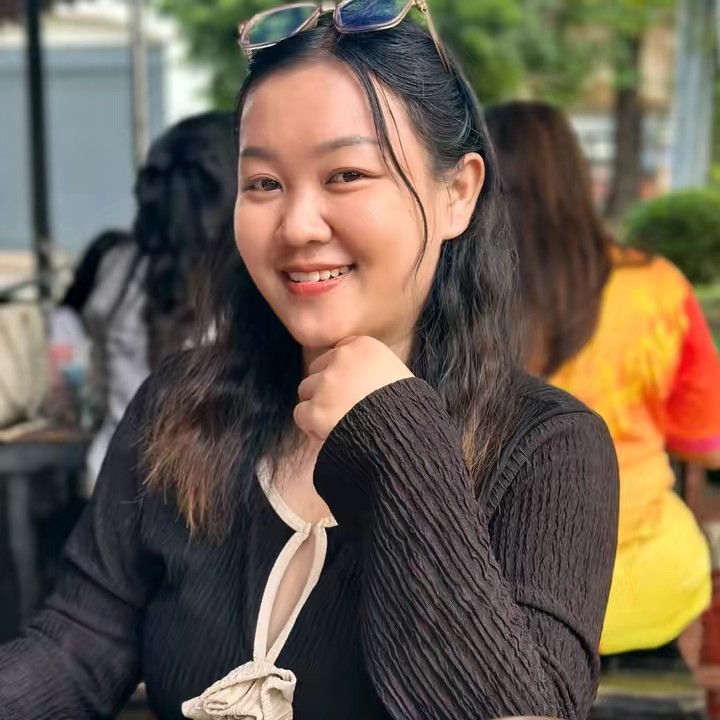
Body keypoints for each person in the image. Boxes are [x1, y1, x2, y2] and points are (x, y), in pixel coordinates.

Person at [0, 6, 618, 720]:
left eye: (346, 174)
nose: (296, 226)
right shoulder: (180, 408)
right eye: (264, 183)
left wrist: (398, 436)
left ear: (458, 193)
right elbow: (76, 649)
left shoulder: (549, 448)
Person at [485, 100, 720, 659]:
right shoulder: (656, 287)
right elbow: (706, 440)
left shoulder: (441, 291)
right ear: (578, 180)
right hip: (640, 590)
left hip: (486, 596)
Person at [81, 112, 237, 489]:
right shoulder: (246, 279)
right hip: (211, 493)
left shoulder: (118, 269)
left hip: (112, 482)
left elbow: (97, 385)